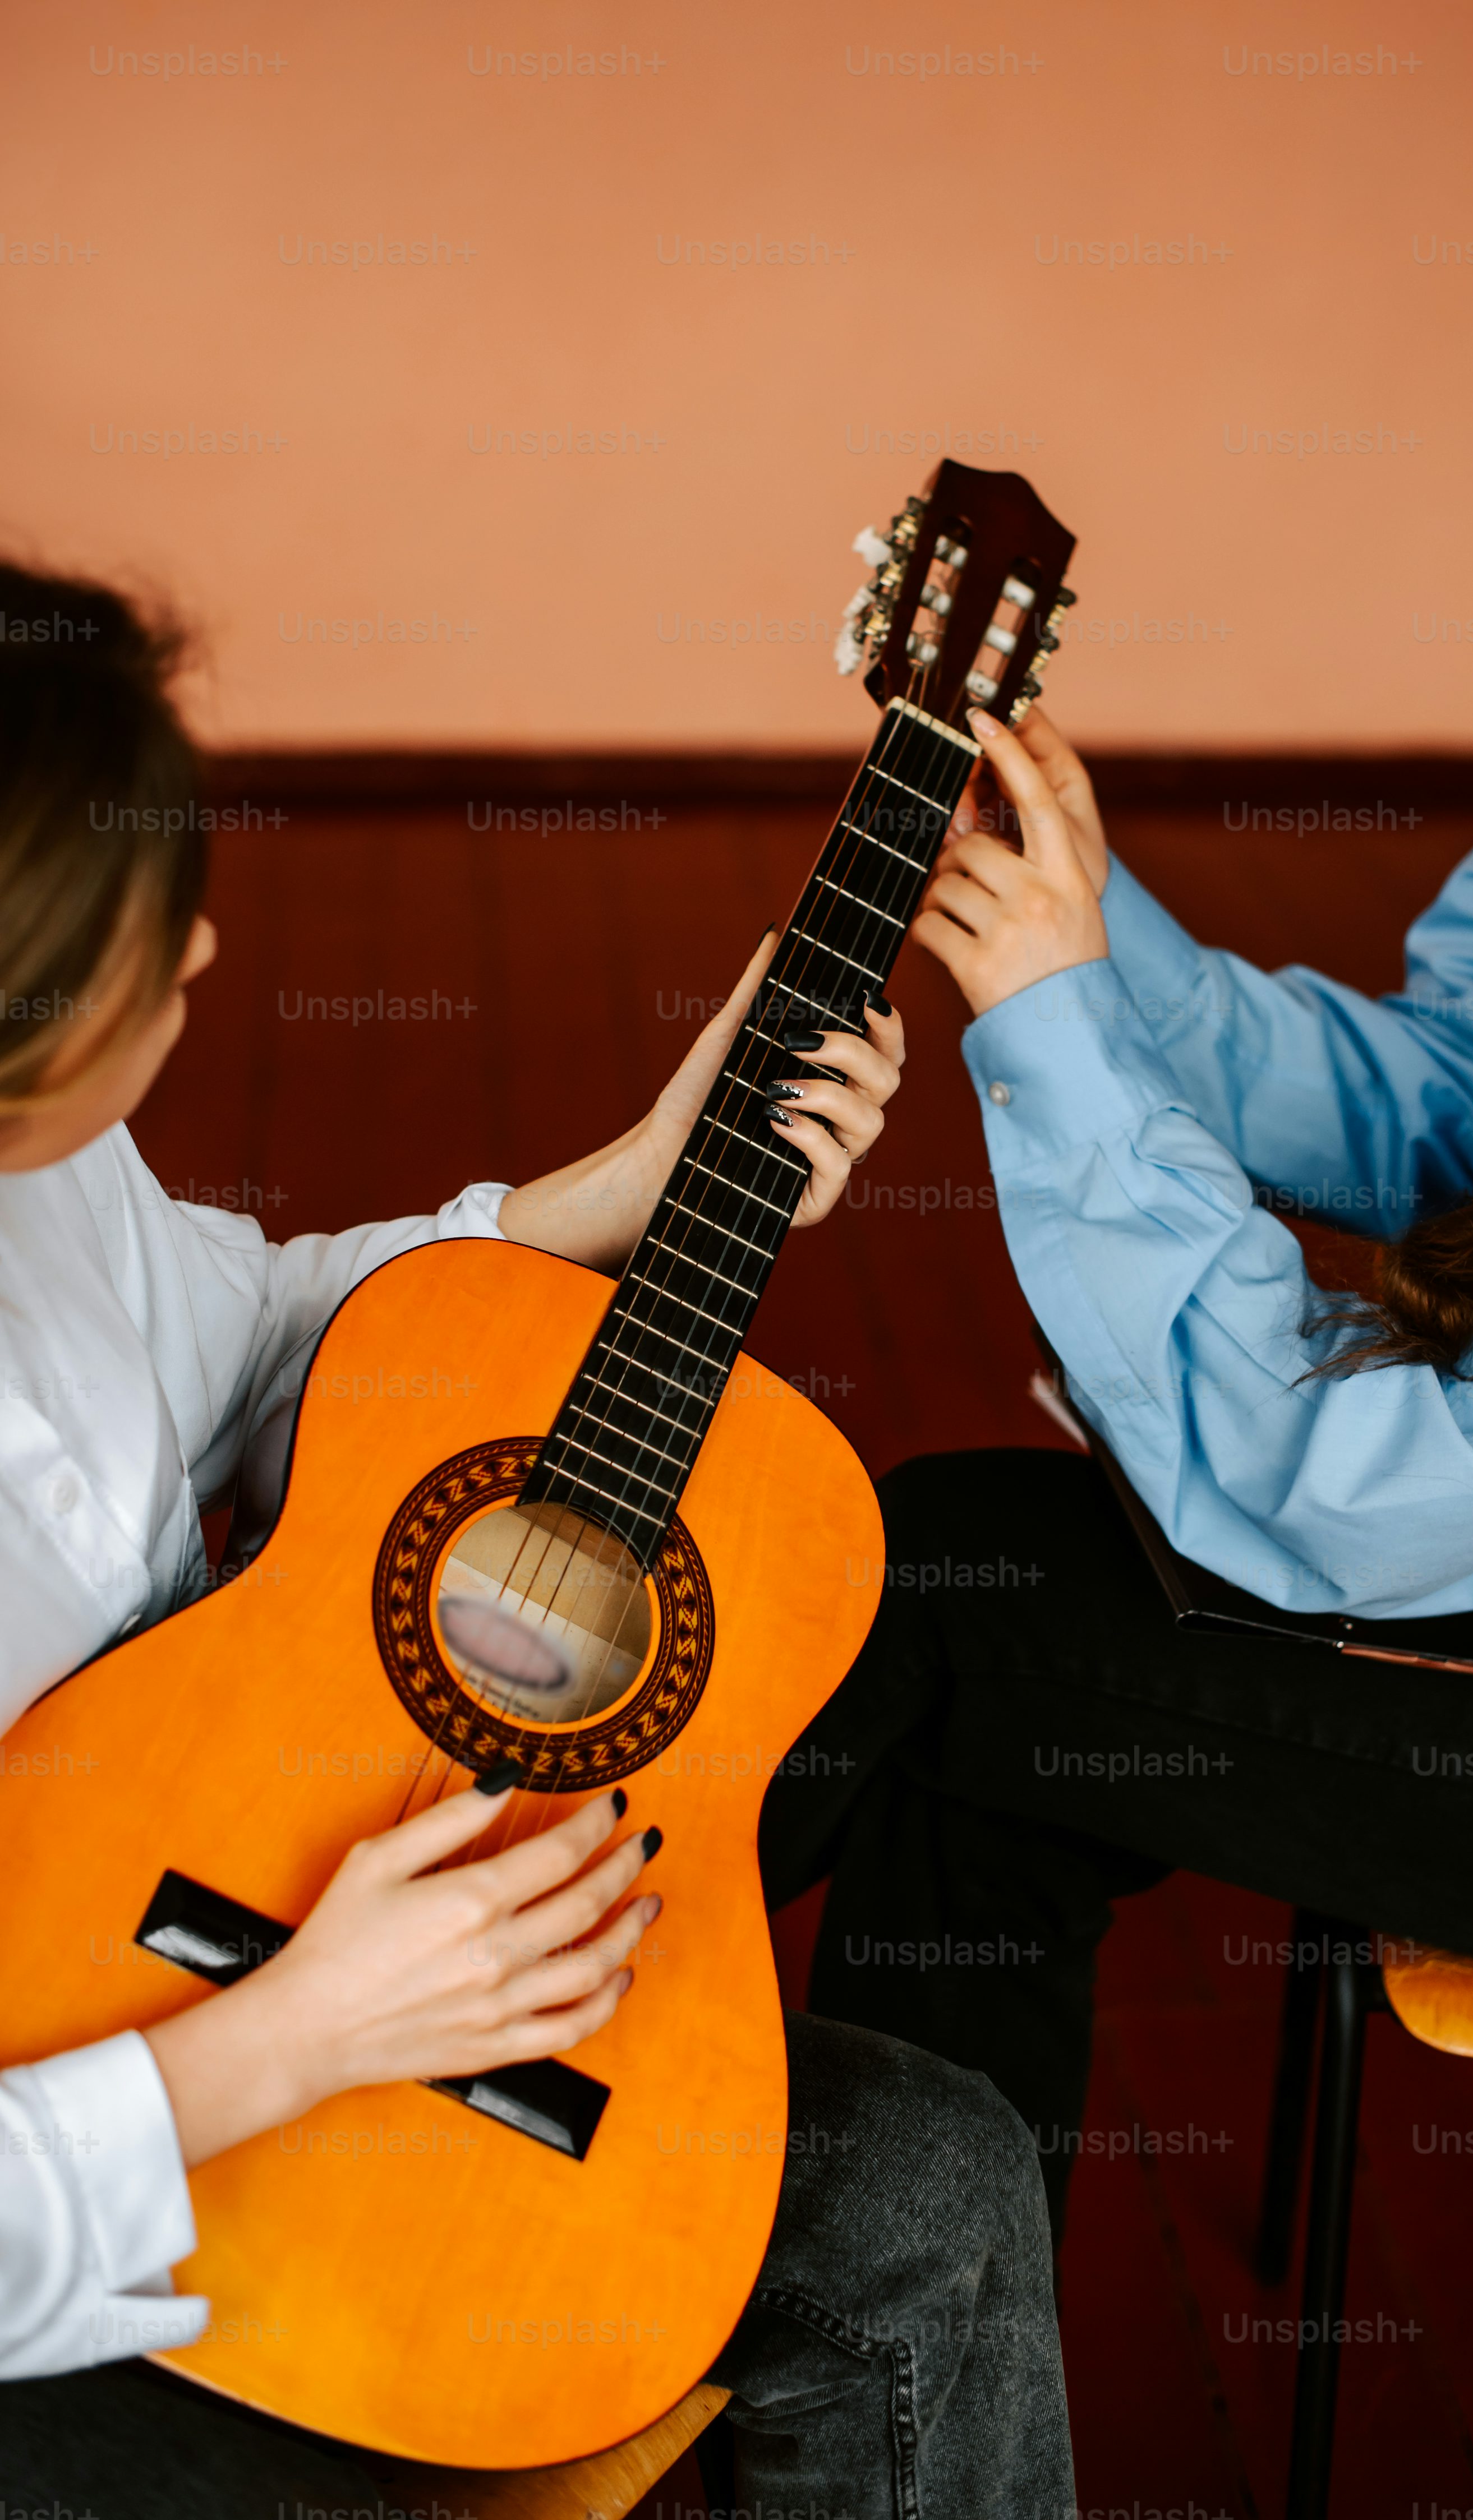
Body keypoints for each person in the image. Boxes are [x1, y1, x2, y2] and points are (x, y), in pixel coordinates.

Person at [0, 562, 1074, 2518]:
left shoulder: (44, 1161)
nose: (205, 939)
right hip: (83, 2213)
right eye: (145, 918)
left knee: (940, 2188)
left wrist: (647, 1173)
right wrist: (304, 2031)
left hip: (292, 1905)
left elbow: (255, 1337)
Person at [760, 223, 1473, 2238]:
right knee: (972, 1653)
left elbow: (1335, 1492)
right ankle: (906, 2353)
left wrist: (1064, 1036)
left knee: (944, 1612)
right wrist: (1091, 931)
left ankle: (486, 2062)